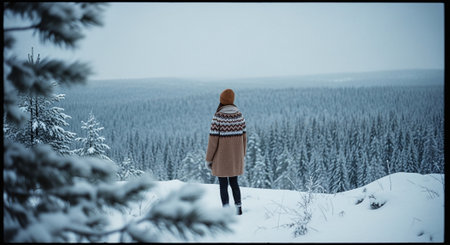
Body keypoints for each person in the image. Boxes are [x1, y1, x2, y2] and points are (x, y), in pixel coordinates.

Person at [205, 88, 247, 215]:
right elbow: (244, 138)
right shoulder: (239, 116)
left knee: (223, 184)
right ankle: (238, 209)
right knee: (234, 183)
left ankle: (226, 211)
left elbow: (213, 141)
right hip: (235, 158)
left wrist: (209, 159)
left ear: (222, 101)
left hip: (221, 159)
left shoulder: (218, 117)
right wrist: (242, 155)